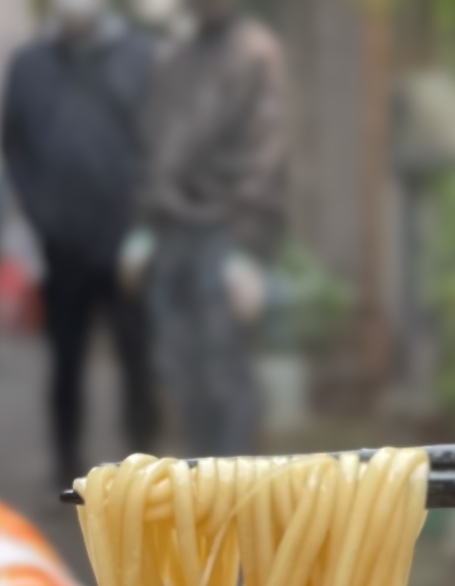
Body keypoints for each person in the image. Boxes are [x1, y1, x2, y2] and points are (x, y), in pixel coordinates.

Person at [1, 0, 157, 490]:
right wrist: (41, 215)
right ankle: (66, 464)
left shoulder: (142, 56)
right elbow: (14, 146)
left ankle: (147, 473)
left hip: (128, 241)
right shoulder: (28, 65)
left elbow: (162, 143)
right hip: (62, 243)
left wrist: (148, 227)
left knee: (138, 355)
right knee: (65, 358)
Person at [125, 0, 291, 459]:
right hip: (171, 236)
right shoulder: (172, 58)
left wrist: (249, 251)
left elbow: (267, 155)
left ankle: (239, 495)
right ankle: (200, 492)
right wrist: (143, 231)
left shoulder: (255, 53)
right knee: (178, 372)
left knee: (225, 376)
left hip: (225, 233)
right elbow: (152, 148)